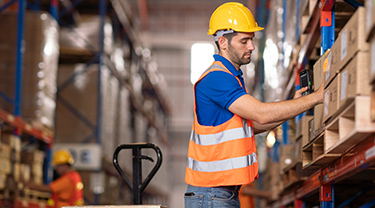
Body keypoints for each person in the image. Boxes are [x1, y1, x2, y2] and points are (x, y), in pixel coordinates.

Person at [184, 2, 323, 207]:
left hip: (219, 194)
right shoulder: (216, 79)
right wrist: (317, 97)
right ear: (223, 42)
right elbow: (261, 114)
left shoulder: (231, 77)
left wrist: (294, 105)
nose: (251, 46)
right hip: (211, 195)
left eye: (252, 40)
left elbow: (250, 127)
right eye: (244, 41)